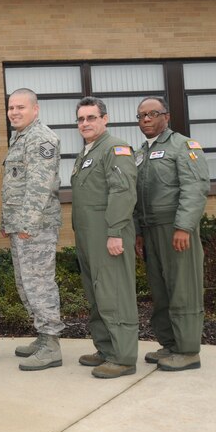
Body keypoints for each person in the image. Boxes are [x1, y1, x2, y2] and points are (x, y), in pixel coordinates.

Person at [134, 97, 209, 371]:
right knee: (161, 291)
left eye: (152, 114)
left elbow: (195, 188)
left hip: (175, 228)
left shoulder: (184, 146)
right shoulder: (140, 153)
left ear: (166, 115)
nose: (146, 120)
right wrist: (139, 232)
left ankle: (188, 351)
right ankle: (170, 344)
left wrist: (184, 227)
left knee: (183, 289)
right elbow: (137, 197)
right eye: (141, 116)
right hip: (151, 230)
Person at [71, 97, 139, 379]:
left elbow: (122, 193)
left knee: (115, 294)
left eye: (91, 118)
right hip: (88, 236)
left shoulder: (115, 148)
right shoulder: (88, 152)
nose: (85, 123)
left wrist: (115, 233)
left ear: (104, 119)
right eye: (81, 119)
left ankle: (123, 357)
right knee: (97, 294)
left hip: (108, 233)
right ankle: (106, 349)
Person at [2, 88, 66, 371]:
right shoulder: (20, 138)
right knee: (25, 283)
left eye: (21, 107)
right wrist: (9, 222)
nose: (14, 112)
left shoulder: (42, 139)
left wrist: (26, 224)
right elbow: (16, 185)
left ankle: (52, 343)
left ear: (35, 109)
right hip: (21, 226)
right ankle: (42, 336)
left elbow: (39, 187)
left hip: (36, 227)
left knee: (39, 283)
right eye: (11, 107)